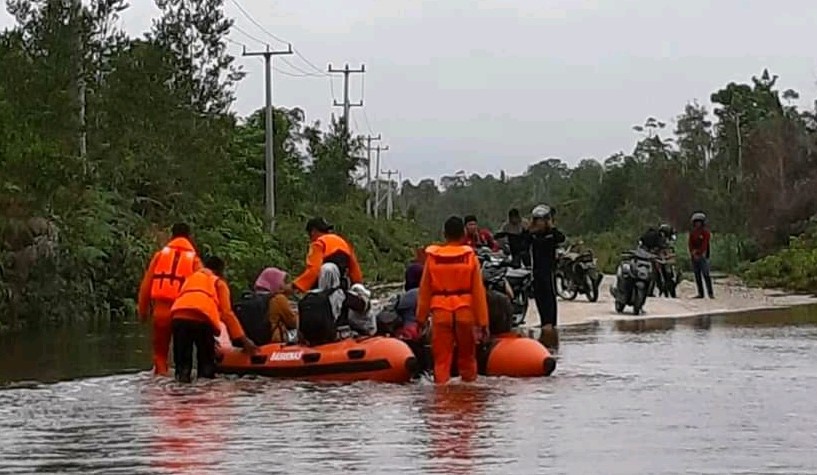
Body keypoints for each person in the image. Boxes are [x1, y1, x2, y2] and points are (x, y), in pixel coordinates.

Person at [416, 216, 490, 384]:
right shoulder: (470, 257)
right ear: (463, 233)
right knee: (468, 358)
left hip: (441, 313)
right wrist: (483, 322)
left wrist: (420, 319)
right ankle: (469, 393)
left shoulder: (433, 258)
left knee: (441, 361)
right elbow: (478, 292)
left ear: (444, 234)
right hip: (465, 312)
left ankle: (441, 395)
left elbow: (425, 291)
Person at [169, 255, 258, 382]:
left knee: (182, 368)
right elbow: (227, 314)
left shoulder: (190, 279)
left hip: (178, 318)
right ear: (220, 270)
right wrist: (244, 340)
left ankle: (180, 386)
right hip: (202, 320)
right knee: (206, 369)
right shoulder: (218, 283)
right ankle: (204, 389)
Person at [137, 223, 202, 375]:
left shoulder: (159, 256)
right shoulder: (195, 261)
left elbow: (146, 286)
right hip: (184, 313)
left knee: (160, 355)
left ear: (171, 236)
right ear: (189, 237)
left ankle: (160, 379)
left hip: (161, 311)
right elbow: (202, 289)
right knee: (183, 355)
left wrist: (142, 311)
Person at [298, 263, 368, 345]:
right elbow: (361, 306)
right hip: (335, 335)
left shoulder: (309, 296)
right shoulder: (340, 294)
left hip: (310, 339)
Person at [287, 217, 363, 293]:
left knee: (326, 270)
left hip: (326, 284)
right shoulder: (343, 242)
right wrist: (357, 286)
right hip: (342, 285)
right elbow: (355, 270)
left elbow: (314, 269)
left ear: (313, 232)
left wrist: (295, 286)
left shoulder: (318, 243)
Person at [527, 204, 566, 349]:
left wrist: (551, 227)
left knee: (549, 296)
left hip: (548, 271)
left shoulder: (552, 234)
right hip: (536, 271)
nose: (539, 223)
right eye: (537, 220)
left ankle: (550, 323)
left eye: (542, 220)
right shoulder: (532, 235)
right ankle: (544, 322)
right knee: (539, 297)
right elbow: (522, 243)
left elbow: (561, 238)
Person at [234, 267, 298, 345]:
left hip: (248, 344)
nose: (284, 285)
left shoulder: (248, 299)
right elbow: (293, 323)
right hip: (271, 344)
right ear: (276, 282)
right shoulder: (278, 299)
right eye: (283, 282)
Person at [689, 212, 714, 299]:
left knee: (706, 274)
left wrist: (699, 252)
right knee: (697, 275)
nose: (697, 224)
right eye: (696, 222)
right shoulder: (693, 233)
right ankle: (700, 293)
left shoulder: (706, 233)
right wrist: (693, 252)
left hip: (703, 255)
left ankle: (710, 293)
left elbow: (705, 244)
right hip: (694, 255)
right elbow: (690, 244)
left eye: (699, 222)